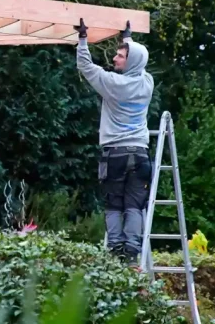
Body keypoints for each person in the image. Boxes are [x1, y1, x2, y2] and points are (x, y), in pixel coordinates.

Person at [74, 18, 154, 266]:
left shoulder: (112, 83)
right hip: (140, 154)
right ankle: (131, 252)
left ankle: (115, 249)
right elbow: (138, 59)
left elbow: (85, 66)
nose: (115, 59)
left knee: (113, 205)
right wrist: (128, 38)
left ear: (129, 62)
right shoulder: (147, 82)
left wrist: (83, 38)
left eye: (120, 56)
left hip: (116, 155)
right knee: (134, 206)